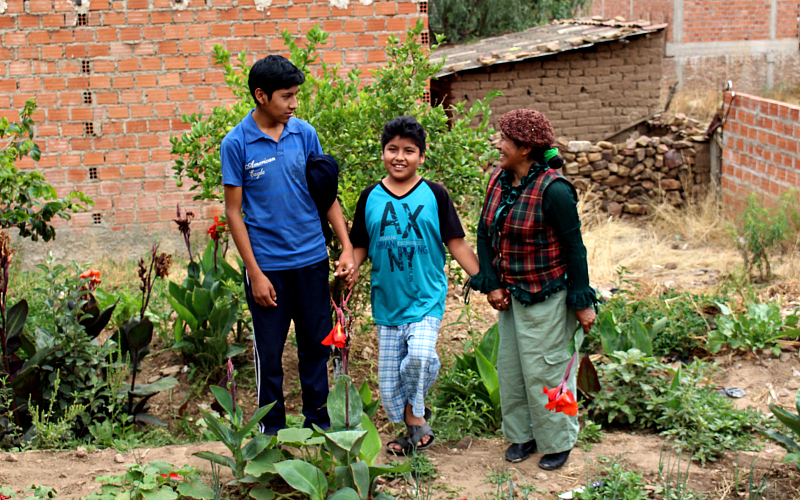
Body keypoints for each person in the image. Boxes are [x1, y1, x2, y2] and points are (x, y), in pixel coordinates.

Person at [221, 55, 355, 436]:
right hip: (269, 269)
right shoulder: (236, 143)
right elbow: (234, 213)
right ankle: (272, 435)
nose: (294, 104)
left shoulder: (304, 134)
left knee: (317, 347)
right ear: (261, 96)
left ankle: (320, 427)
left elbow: (326, 195)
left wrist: (344, 246)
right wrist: (255, 273)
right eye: (286, 96)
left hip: (312, 260)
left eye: (296, 95)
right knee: (270, 355)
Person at [469, 109, 596, 470]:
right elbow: (483, 232)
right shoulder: (499, 179)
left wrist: (582, 302)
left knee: (549, 372)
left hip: (548, 297)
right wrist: (492, 283)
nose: (498, 144)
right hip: (511, 297)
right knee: (511, 370)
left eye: (505, 139)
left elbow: (575, 249)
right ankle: (522, 436)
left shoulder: (554, 190)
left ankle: (557, 441)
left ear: (525, 148)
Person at [349, 115, 479, 455]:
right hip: (388, 302)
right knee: (389, 386)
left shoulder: (435, 194)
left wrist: (484, 278)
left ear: (422, 156)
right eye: (392, 149)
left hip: (426, 296)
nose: (399, 157)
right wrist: (349, 266)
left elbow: (456, 243)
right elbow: (359, 244)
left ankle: (415, 413)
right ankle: (412, 428)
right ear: (382, 153)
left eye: (409, 150)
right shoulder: (370, 197)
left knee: (420, 356)